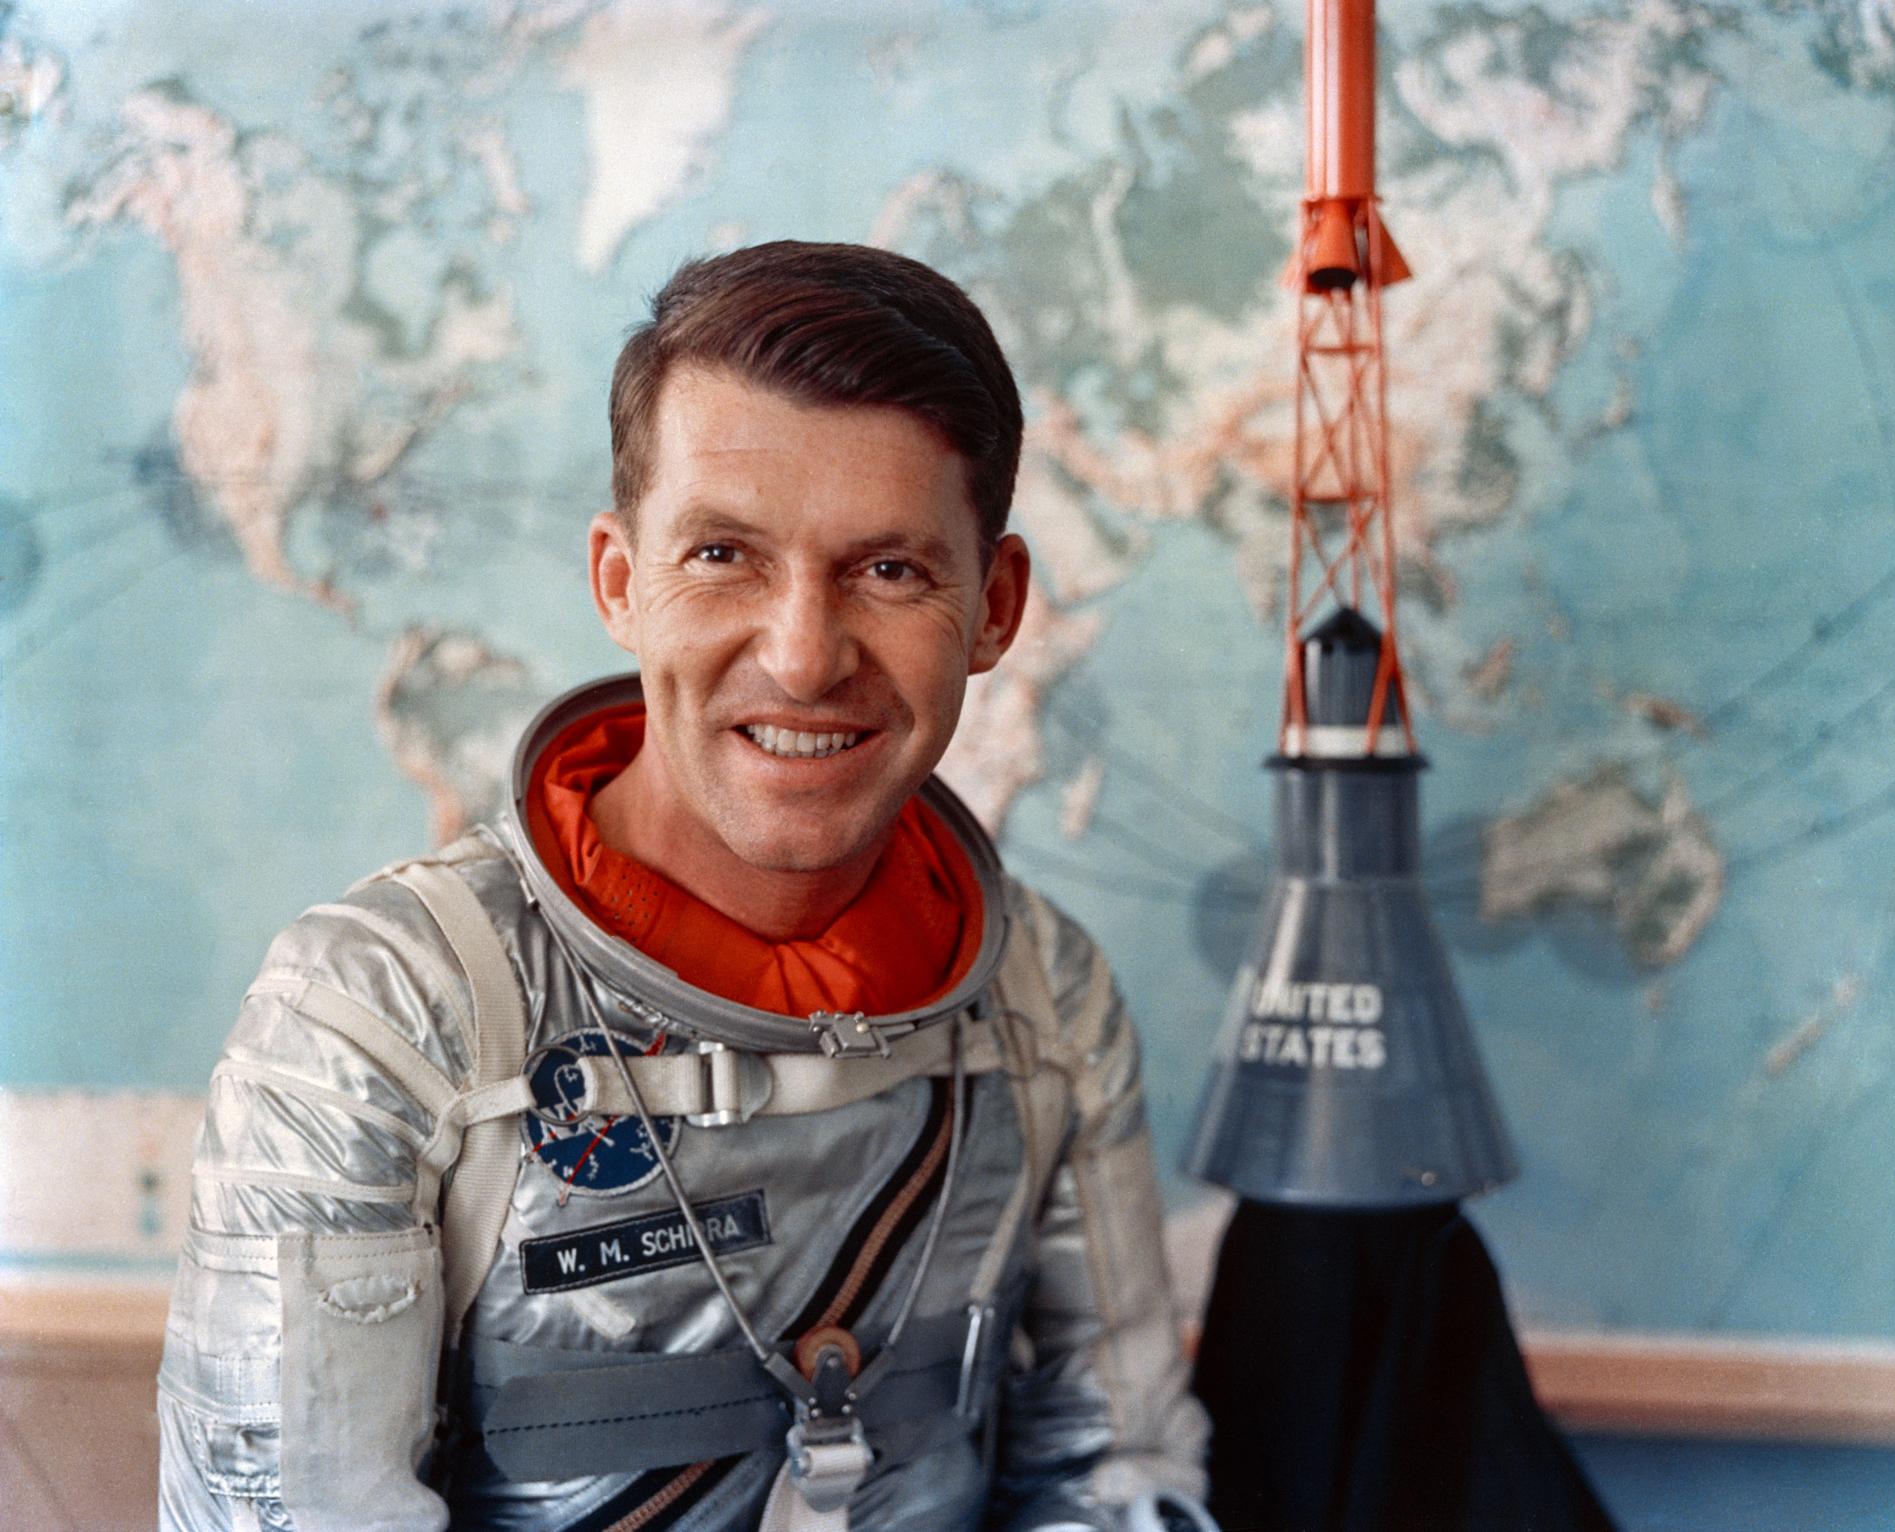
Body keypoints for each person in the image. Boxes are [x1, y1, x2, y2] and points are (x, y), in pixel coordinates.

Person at [157, 240, 1212, 1532]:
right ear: (621, 580)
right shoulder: (383, 1020)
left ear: (995, 607)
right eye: (725, 555)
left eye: (890, 570)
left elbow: (1119, 1474)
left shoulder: (1046, 1005)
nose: (804, 655)